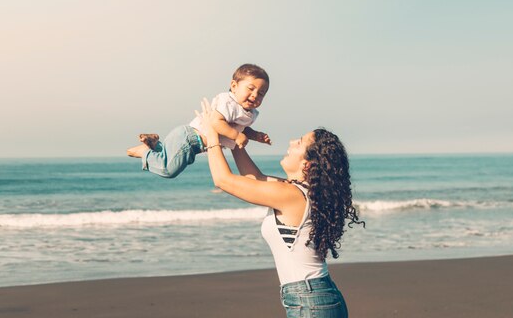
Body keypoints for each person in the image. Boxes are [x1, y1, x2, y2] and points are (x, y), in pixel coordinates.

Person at [196, 98, 364, 318]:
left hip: (310, 301)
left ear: (308, 164)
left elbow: (223, 180)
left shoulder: (292, 196)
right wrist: (233, 134)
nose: (292, 141)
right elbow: (254, 178)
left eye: (300, 143)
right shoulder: (297, 191)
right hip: (315, 297)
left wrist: (211, 134)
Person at [126, 64, 272, 178]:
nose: (255, 95)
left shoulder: (247, 112)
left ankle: (154, 143)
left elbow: (242, 128)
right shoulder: (228, 102)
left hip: (194, 144)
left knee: (169, 157)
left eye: (261, 93)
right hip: (189, 138)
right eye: (251, 89)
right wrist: (236, 136)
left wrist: (255, 135)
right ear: (234, 86)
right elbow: (216, 122)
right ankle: (145, 152)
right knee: (168, 170)